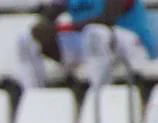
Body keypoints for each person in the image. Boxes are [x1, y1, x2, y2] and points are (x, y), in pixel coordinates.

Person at [16, 0, 155, 93]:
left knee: (95, 33)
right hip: (90, 44)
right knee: (27, 40)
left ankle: (99, 98)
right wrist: (45, 30)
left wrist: (62, 28)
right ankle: (33, 98)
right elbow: (48, 18)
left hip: (133, 44)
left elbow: (107, 19)